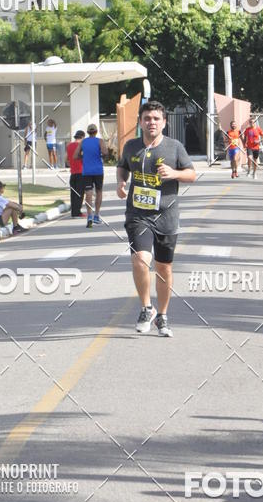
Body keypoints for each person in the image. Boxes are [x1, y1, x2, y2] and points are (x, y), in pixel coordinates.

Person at [117, 100, 196, 338]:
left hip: (166, 216)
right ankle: (145, 308)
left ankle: (162, 315)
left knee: (163, 267)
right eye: (147, 118)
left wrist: (175, 174)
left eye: (156, 119)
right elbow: (122, 167)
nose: (151, 122)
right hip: (138, 215)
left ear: (164, 122)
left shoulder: (174, 147)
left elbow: (191, 174)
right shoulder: (131, 146)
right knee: (141, 260)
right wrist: (121, 182)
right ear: (140, 122)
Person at [75, 123, 107, 228]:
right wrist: (101, 155)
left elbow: (75, 156)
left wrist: (83, 157)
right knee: (99, 192)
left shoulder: (83, 142)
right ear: (96, 132)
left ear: (88, 132)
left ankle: (89, 215)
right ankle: (96, 215)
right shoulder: (100, 141)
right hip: (98, 170)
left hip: (86, 171)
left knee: (88, 192)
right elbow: (105, 152)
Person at [66, 130, 86, 217]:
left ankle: (73, 212)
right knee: (79, 193)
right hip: (81, 172)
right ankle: (77, 212)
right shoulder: (82, 146)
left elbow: (66, 160)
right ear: (82, 137)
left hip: (73, 173)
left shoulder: (69, 145)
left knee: (73, 194)